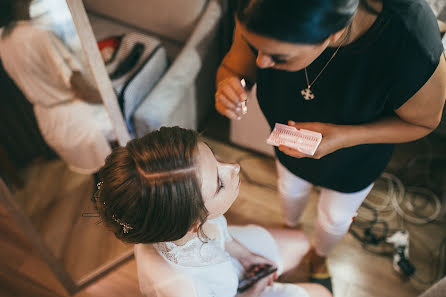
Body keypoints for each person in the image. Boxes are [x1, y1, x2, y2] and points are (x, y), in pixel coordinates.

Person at [215, 0, 446, 291]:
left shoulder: (411, 44)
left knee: (336, 218)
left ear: (333, 34)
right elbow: (236, 67)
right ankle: (292, 233)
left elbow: (424, 122)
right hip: (288, 140)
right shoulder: (257, 6)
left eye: (279, 57)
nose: (261, 62)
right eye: (255, 46)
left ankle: (319, 255)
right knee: (289, 190)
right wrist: (229, 83)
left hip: (358, 155)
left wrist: (344, 137)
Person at [94, 126, 331, 297]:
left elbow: (219, 233)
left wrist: (246, 257)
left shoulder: (171, 217)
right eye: (219, 184)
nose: (234, 168)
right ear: (193, 225)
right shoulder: (183, 289)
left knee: (300, 241)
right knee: (321, 293)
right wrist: (256, 289)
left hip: (227, 259)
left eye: (214, 156)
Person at [0, 0, 115, 175]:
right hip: (80, 121)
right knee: (115, 171)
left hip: (49, 122)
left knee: (98, 175)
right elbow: (81, 89)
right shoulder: (40, 35)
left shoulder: (3, 41)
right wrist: (112, 98)